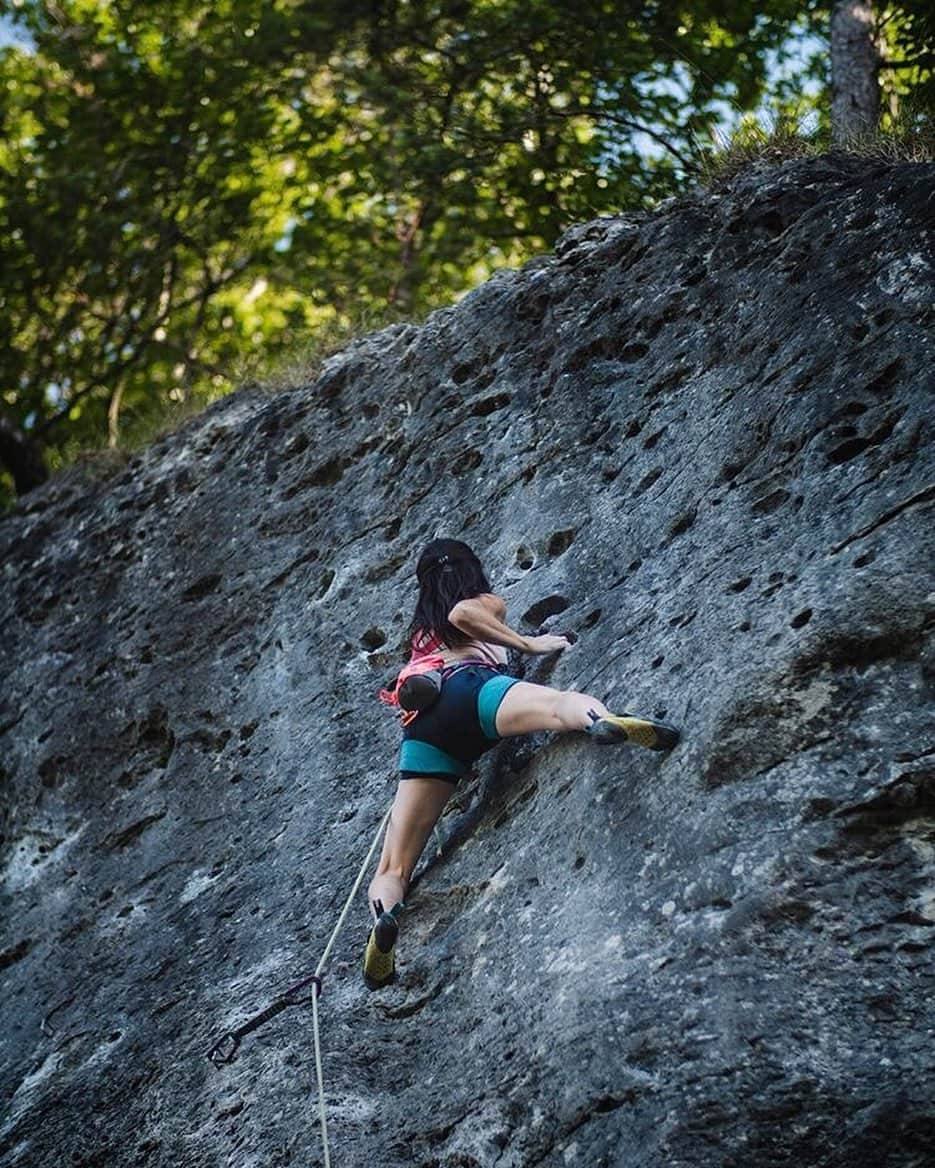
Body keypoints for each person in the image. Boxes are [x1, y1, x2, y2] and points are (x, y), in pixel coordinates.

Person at [363, 538, 679, 989]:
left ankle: (384, 918)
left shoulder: (419, 635)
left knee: (393, 868)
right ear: (471, 570)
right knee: (558, 707)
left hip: (426, 730)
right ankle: (601, 720)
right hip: (471, 689)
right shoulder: (483, 600)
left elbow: (445, 620)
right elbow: (462, 615)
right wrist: (529, 644)